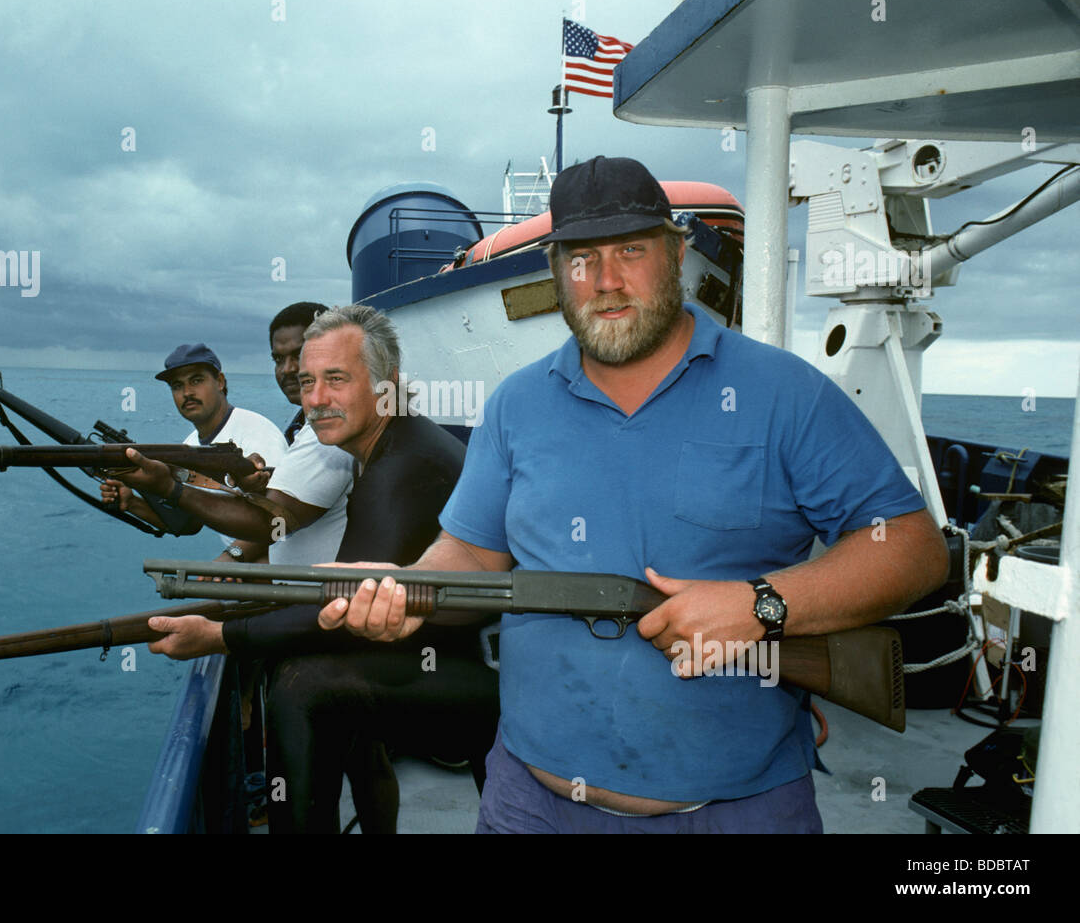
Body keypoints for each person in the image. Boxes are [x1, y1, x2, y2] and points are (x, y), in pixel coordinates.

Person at [318, 156, 950, 833]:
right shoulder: (515, 405)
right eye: (581, 258)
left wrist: (759, 605)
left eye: (631, 250)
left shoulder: (783, 393)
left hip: (741, 813)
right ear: (556, 271)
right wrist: (403, 588)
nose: (607, 281)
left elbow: (914, 549)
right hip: (530, 805)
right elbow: (472, 556)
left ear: (676, 253)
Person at [140, 305, 500, 833]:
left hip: (492, 686)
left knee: (302, 685)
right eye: (307, 382)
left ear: (387, 385)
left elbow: (334, 604)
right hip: (453, 650)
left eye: (336, 380)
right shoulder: (391, 444)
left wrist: (217, 634)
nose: (314, 399)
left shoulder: (403, 465)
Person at [100, 342, 287, 552]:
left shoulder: (257, 431)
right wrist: (133, 503)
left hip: (279, 570)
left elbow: (278, 522)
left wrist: (231, 558)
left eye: (196, 380)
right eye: (177, 386)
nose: (187, 392)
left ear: (220, 381)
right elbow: (189, 523)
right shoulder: (190, 446)